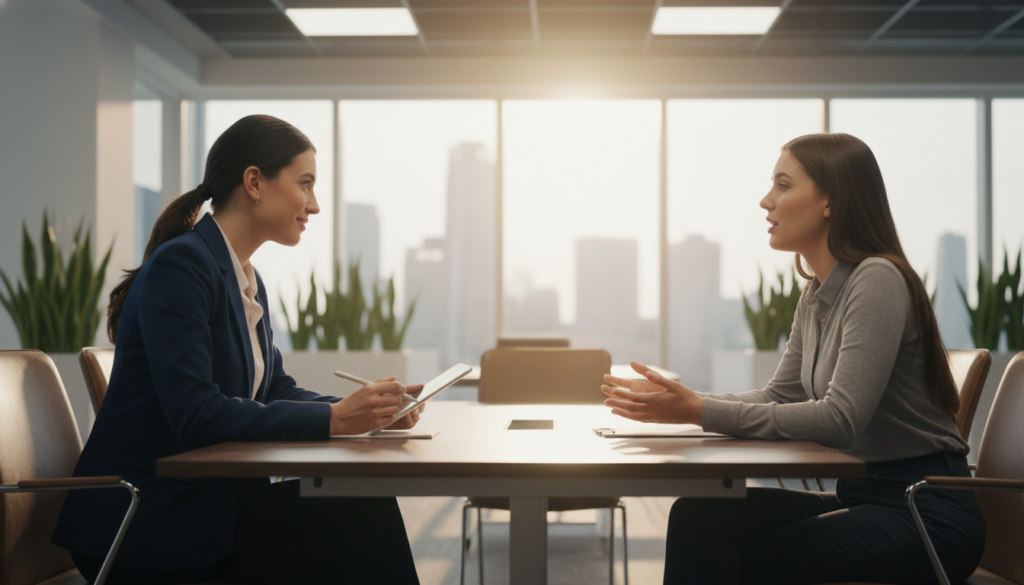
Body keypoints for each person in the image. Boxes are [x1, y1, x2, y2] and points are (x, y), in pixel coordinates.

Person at [52, 115, 423, 585]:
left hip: (204, 505)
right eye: (305, 184)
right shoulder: (183, 265)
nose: (315, 205)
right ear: (254, 182)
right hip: (148, 524)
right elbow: (195, 413)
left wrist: (365, 412)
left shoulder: (244, 276)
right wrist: (335, 420)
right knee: (356, 520)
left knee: (358, 508)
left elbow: (273, 389)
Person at [602, 133, 985, 585]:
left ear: (830, 201)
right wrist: (681, 404)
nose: (767, 201)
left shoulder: (877, 279)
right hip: (866, 495)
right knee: (698, 518)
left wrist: (700, 411)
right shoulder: (817, 293)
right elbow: (777, 394)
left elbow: (841, 419)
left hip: (926, 514)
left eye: (783, 185)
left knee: (746, 559)